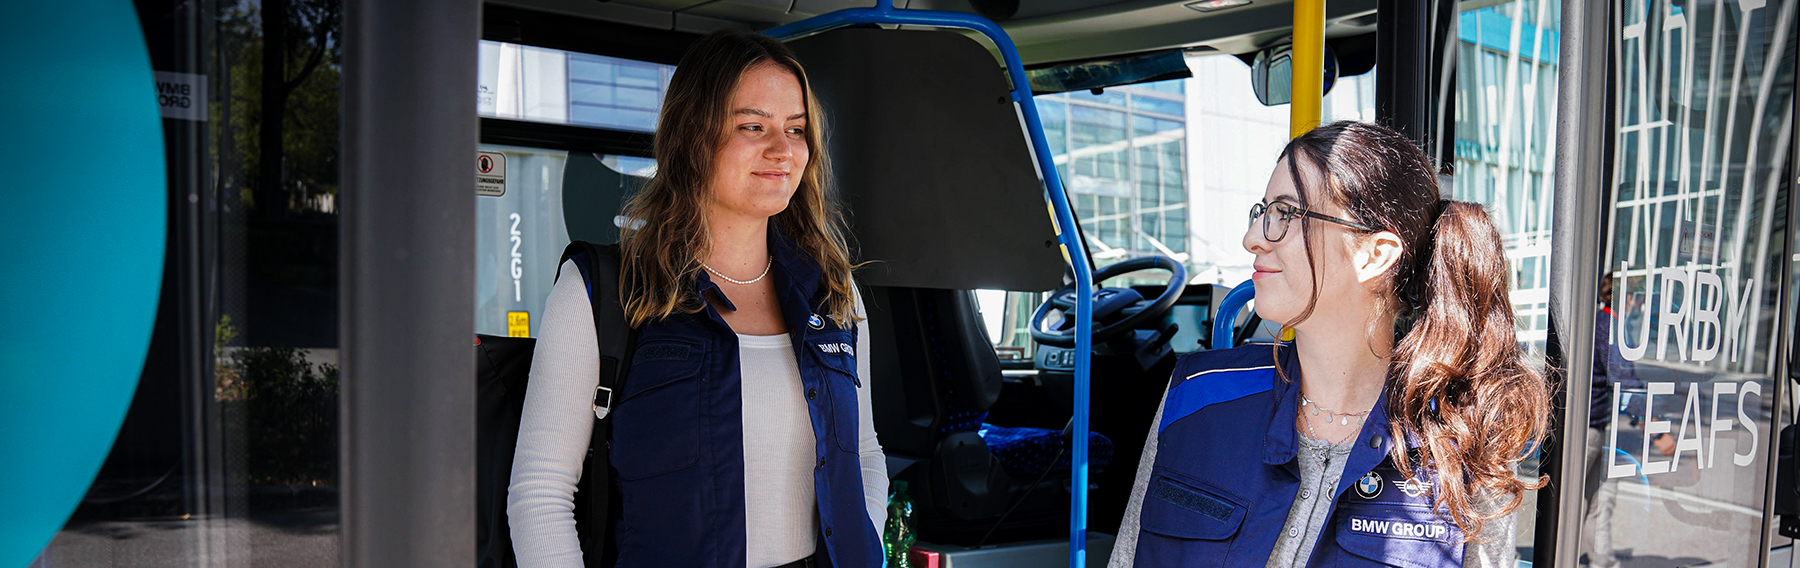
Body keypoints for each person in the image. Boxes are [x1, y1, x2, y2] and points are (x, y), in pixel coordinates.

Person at [507, 30, 887, 568]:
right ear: (693, 135)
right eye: (752, 126)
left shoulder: (834, 292)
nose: (782, 150)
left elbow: (865, 454)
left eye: (796, 129)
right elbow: (540, 492)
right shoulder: (605, 290)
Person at [1108, 121, 1550, 567]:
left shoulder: (1462, 436)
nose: (1253, 238)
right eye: (1263, 212)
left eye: (1286, 214)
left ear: (1375, 255)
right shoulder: (1199, 393)